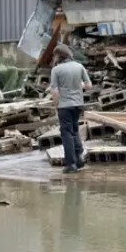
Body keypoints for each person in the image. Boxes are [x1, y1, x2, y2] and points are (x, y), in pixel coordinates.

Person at [48, 44, 91, 174]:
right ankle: (79, 158)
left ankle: (71, 164)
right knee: (74, 130)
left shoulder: (56, 70)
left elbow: (54, 91)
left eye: (54, 55)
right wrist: (78, 85)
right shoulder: (79, 66)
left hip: (64, 106)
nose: (54, 58)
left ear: (58, 55)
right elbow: (88, 86)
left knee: (66, 133)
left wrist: (56, 106)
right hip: (78, 104)